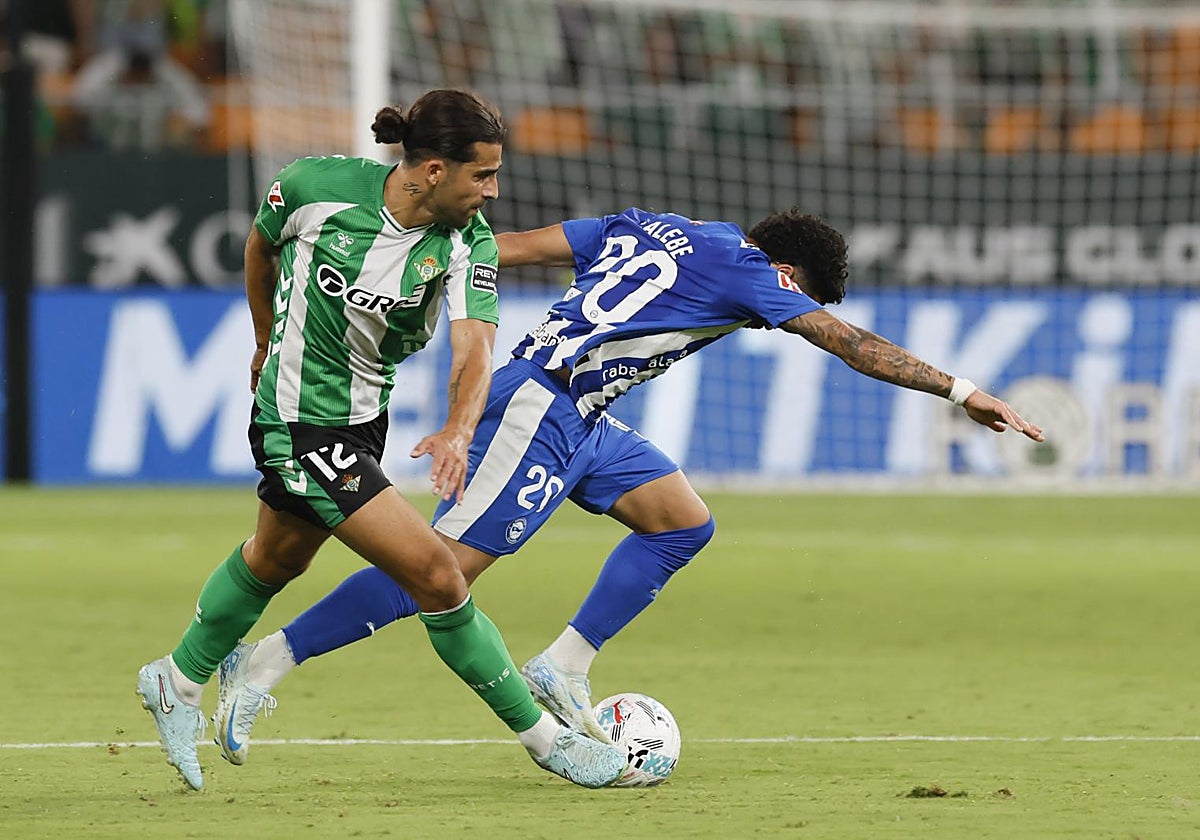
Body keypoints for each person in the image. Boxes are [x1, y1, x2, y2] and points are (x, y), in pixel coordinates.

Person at [213, 205, 1046, 759]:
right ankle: (263, 664)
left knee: (681, 520)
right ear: (789, 274)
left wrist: (407, 258)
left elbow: (503, 248)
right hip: (539, 406)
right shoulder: (758, 275)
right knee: (439, 572)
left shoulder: (649, 225)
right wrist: (964, 392)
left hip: (584, 417)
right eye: (794, 297)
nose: (779, 312)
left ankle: (563, 666)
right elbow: (850, 342)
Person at [135, 88, 626, 792]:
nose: (493, 191)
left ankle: (175, 681)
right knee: (436, 575)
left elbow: (474, 350)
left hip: (366, 418)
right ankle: (549, 742)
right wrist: (264, 337)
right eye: (481, 175)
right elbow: (259, 247)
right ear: (431, 169)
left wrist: (459, 427)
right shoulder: (313, 187)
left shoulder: (468, 243)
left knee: (275, 558)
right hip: (297, 418)